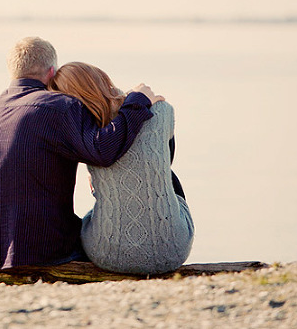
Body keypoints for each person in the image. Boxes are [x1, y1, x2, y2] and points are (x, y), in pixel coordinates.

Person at [0, 37, 158, 269]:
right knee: (96, 231)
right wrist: (137, 101)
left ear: (13, 71)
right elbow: (104, 151)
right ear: (52, 71)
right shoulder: (60, 106)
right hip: (40, 241)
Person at [49, 62, 194, 275]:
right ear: (102, 78)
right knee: (167, 177)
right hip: (172, 251)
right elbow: (166, 159)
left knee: (100, 193)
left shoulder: (85, 129)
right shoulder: (163, 110)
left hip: (107, 254)